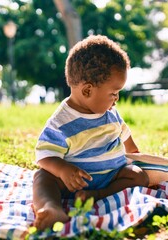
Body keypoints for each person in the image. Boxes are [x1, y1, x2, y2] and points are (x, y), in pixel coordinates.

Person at [32, 35, 149, 231]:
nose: (117, 98)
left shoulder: (110, 113)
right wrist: (63, 170)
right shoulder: (62, 122)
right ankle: (50, 207)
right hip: (74, 182)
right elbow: (44, 155)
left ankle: (98, 195)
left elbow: (128, 141)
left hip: (111, 177)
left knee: (139, 176)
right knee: (43, 178)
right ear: (87, 91)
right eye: (113, 93)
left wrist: (137, 158)